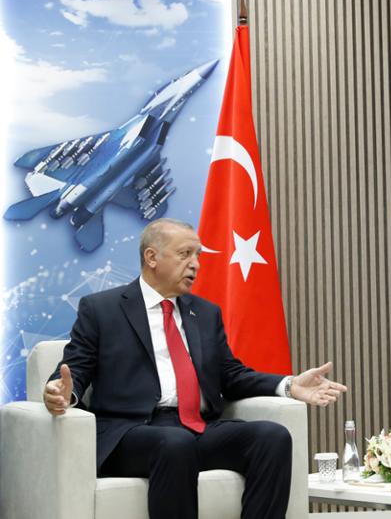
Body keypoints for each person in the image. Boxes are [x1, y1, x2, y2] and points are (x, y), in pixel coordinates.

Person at [43, 218, 347, 519]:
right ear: (151, 257)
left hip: (196, 428)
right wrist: (61, 391)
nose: (196, 264)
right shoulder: (102, 309)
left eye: (198, 255)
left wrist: (289, 385)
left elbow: (231, 375)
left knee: (272, 436)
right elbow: (75, 368)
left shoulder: (204, 312)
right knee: (175, 443)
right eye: (185, 254)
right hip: (132, 433)